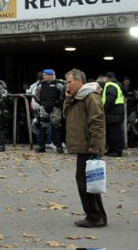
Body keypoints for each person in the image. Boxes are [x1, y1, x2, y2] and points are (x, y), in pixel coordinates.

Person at [63, 68, 107, 228]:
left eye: (69, 82)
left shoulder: (90, 96)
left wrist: (95, 145)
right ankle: (98, 215)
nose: (67, 85)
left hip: (88, 146)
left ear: (79, 81)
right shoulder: (77, 97)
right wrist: (68, 98)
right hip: (84, 145)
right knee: (91, 181)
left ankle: (94, 216)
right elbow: (66, 115)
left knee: (84, 182)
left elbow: (97, 121)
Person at [34, 69, 65, 154]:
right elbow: (36, 95)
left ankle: (59, 147)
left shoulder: (58, 84)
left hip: (55, 108)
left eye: (45, 75)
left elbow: (63, 95)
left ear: (51, 75)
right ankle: (41, 146)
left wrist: (58, 103)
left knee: (57, 127)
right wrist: (41, 103)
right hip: (44, 107)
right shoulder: (41, 85)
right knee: (43, 127)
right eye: (43, 75)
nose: (43, 76)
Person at [102, 72, 125, 157]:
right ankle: (112, 150)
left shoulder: (111, 85)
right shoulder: (116, 85)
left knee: (114, 134)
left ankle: (117, 151)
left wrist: (104, 109)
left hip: (113, 114)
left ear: (108, 78)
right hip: (114, 114)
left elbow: (110, 99)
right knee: (112, 133)